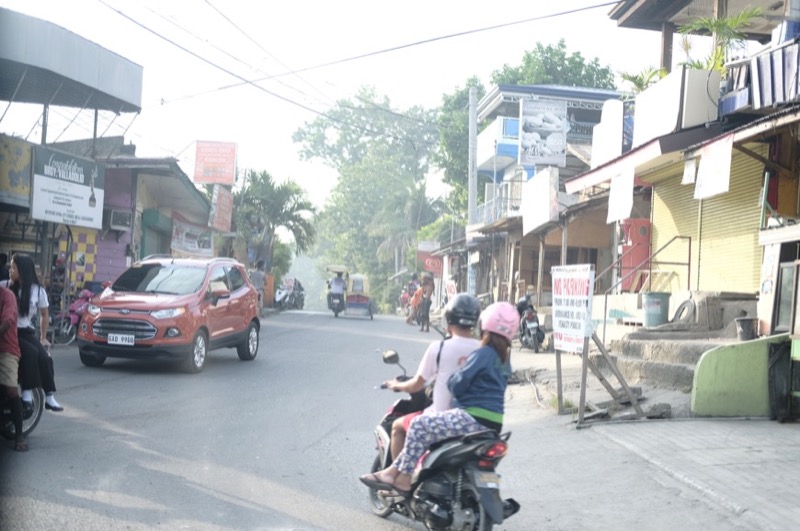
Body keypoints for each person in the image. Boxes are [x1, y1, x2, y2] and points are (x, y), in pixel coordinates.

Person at [360, 301, 519, 495]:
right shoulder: (502, 360)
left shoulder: (482, 353)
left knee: (418, 425)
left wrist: (452, 380)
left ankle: (402, 478)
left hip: (471, 418)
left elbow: (457, 384)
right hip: (494, 423)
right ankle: (394, 473)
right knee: (423, 426)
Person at [381, 293, 481, 460]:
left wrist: (396, 385)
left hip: (441, 418)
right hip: (474, 421)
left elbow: (416, 385)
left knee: (397, 427)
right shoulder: (483, 351)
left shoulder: (439, 348)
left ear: (448, 320)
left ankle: (397, 479)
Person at [1, 254, 63, 412]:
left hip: (26, 331)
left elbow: (44, 315)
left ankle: (49, 396)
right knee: (30, 353)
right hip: (11, 332)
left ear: (22, 271)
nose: (10, 270)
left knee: (44, 356)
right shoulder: (6, 286)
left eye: (13, 268)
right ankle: (27, 394)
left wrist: (43, 337)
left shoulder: (38, 291)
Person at [0, 284, 26, 451]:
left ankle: (19, 435)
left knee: (10, 389)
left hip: (6, 349)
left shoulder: (7, 295)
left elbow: (8, 320)